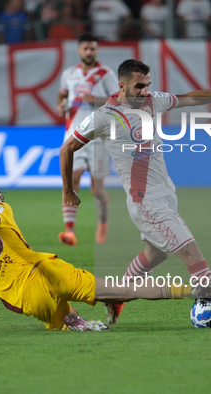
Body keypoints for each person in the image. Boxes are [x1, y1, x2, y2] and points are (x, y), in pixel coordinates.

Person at [60, 59, 211, 327]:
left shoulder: (152, 101)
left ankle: (116, 296)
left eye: (148, 85)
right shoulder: (103, 116)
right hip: (145, 201)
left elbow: (189, 98)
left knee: (156, 253)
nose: (145, 90)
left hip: (166, 194)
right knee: (192, 254)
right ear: (122, 85)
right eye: (139, 86)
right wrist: (69, 190)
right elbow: (66, 149)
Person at [0, 184, 211, 332]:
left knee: (65, 319)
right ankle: (192, 290)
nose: (1, 200)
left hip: (28, 299)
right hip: (48, 270)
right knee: (121, 289)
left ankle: (76, 322)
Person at [56, 33, 119, 246]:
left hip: (98, 137)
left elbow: (119, 101)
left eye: (93, 48)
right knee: (71, 183)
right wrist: (60, 104)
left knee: (97, 190)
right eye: (86, 48)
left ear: (97, 50)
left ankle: (103, 221)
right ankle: (69, 231)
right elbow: (62, 95)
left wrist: (97, 100)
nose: (89, 52)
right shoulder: (69, 74)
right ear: (79, 50)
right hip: (73, 134)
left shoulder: (106, 74)